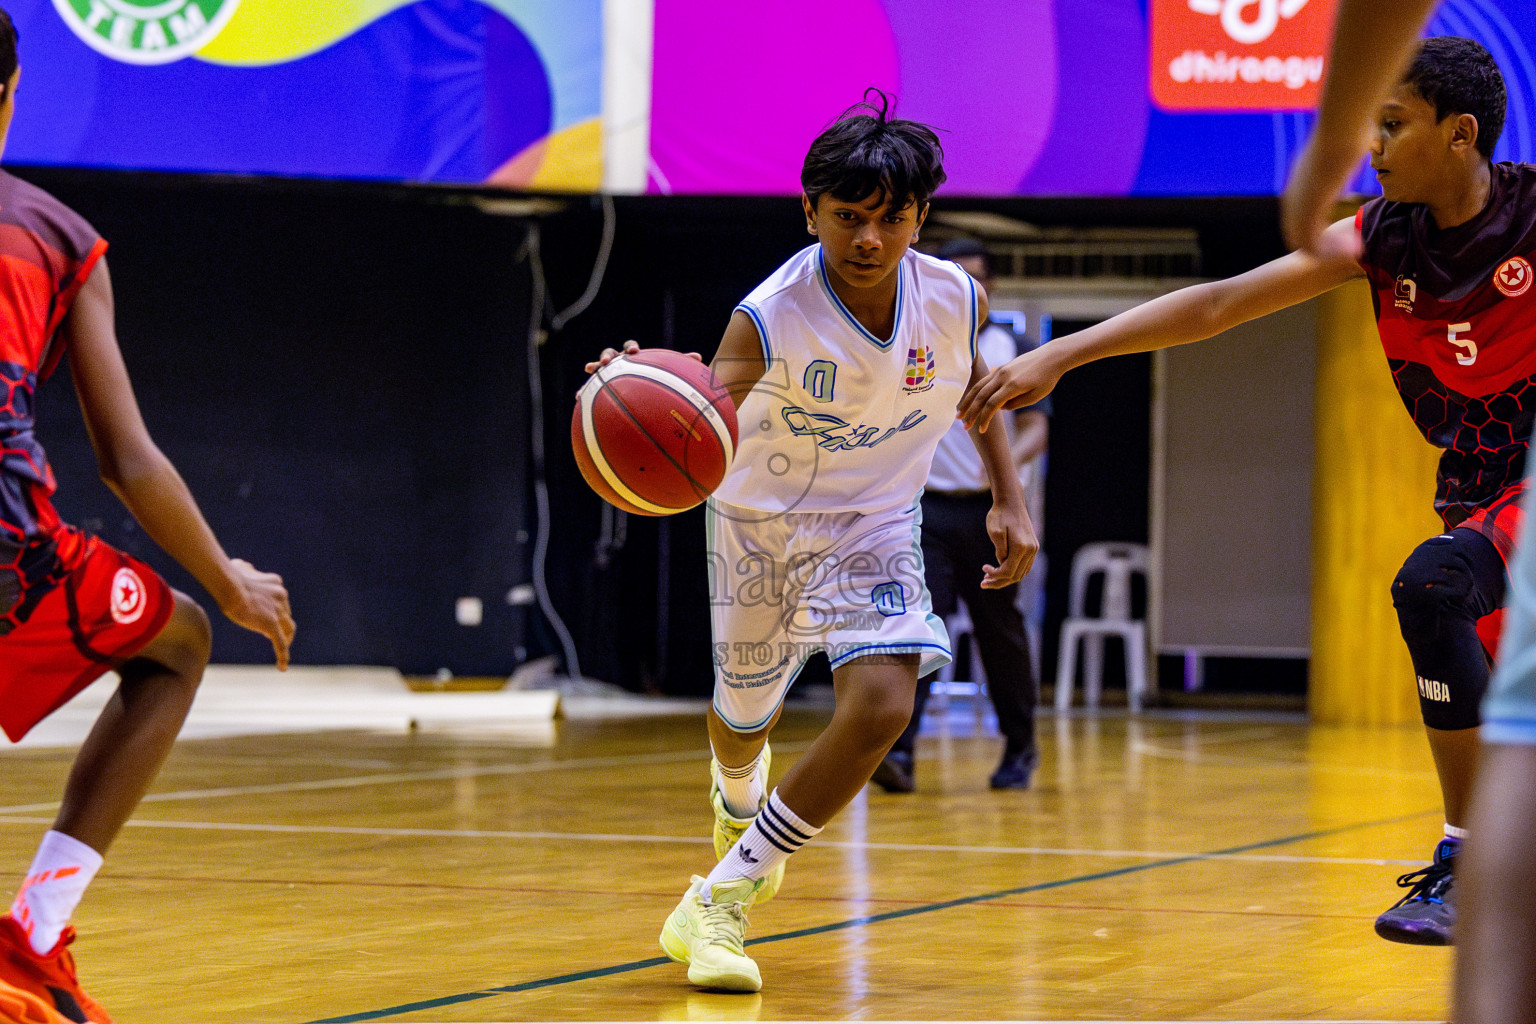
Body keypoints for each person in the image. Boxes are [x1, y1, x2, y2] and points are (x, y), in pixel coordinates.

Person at [961, 36, 1523, 948]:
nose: (1369, 146)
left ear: (1460, 134)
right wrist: (1062, 353)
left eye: (1391, 124)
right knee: (1494, 688)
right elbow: (1220, 303)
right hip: (1478, 490)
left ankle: (1468, 862)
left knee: (1432, 586)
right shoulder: (1383, 236)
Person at [584, 93, 1036, 992]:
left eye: (891, 219)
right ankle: (735, 792)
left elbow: (976, 389)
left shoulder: (955, 293)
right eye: (848, 218)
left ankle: (719, 899)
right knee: (742, 716)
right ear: (809, 210)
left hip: (874, 524)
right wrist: (637, 383)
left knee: (880, 706)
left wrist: (1007, 497)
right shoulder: (769, 315)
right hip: (763, 526)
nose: (870, 239)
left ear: (921, 216)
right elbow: (700, 412)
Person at [0, 11, 296, 1022]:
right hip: (11, 565)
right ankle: (35, 935)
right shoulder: (56, 231)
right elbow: (129, 460)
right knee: (180, 638)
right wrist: (229, 577)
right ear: (10, 94)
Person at [872, 238, 1046, 793]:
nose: (969, 288)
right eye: (958, 276)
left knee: (1000, 632)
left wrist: (1001, 474)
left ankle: (1020, 748)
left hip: (987, 509)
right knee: (918, 626)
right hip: (927, 511)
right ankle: (898, 752)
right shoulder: (910, 337)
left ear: (989, 287)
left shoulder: (1009, 343)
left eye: (979, 279)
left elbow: (1037, 426)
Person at [1281, 0, 1438, 257]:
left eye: (1392, 124)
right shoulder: (1380, 229)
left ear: (1461, 132)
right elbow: (1216, 298)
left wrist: (1336, 144)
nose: (1374, 144)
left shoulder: (1525, 203)